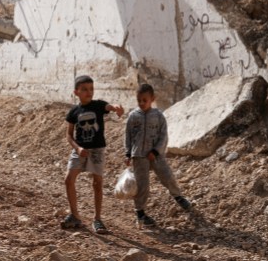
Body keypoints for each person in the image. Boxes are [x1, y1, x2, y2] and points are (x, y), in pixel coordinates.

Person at [63, 75, 124, 234]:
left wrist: (117, 107)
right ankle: (75, 215)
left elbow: (110, 107)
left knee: (97, 183)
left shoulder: (98, 105)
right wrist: (77, 149)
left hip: (97, 150)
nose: (88, 92)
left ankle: (97, 219)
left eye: (91, 89)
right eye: (84, 89)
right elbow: (69, 135)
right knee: (69, 180)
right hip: (79, 150)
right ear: (76, 92)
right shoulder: (74, 112)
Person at [125, 83, 191, 228]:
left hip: (156, 155)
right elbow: (128, 136)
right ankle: (140, 213)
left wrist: (155, 151)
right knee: (143, 185)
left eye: (145, 100)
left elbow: (163, 136)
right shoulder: (133, 116)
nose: (142, 103)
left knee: (167, 176)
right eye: (139, 100)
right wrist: (128, 153)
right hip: (139, 156)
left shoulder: (159, 116)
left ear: (152, 98)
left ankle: (178, 197)